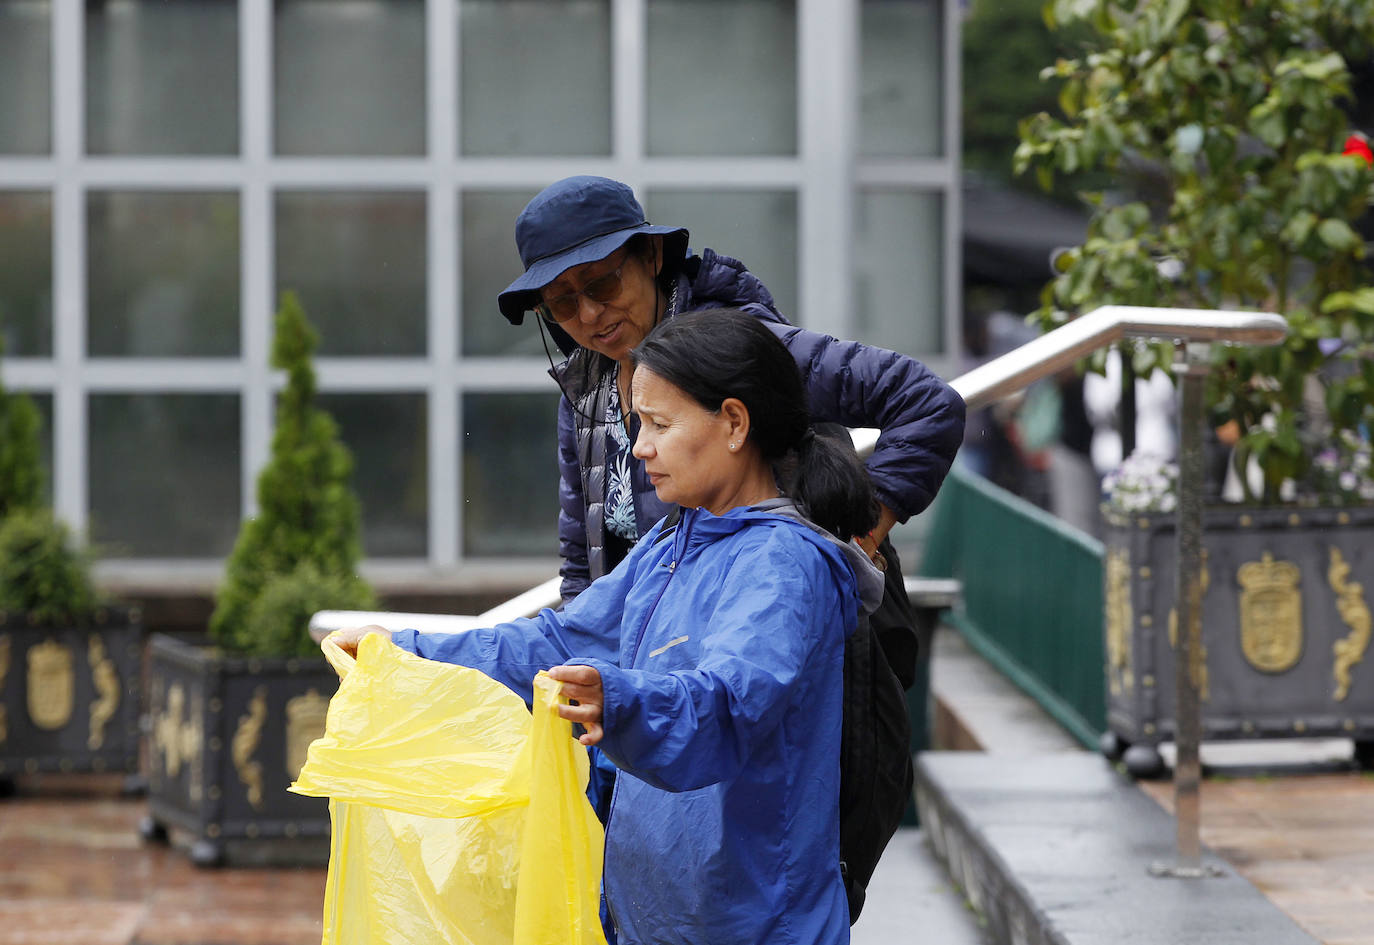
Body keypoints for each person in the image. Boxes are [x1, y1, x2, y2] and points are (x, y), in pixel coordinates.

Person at [331, 308, 887, 945]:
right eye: (636, 424)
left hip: (752, 926)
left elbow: (730, 701)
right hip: (652, 919)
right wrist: (403, 652)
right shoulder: (671, 541)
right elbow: (559, 642)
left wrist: (618, 700)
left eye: (659, 423)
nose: (641, 447)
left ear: (733, 422)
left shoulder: (784, 565)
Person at [495, 175, 966, 604]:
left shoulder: (736, 349)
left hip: (783, 641)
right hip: (658, 671)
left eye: (602, 283)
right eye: (561, 302)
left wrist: (856, 541)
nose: (590, 313)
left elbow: (926, 402)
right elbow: (583, 562)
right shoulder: (584, 392)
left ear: (653, 257)